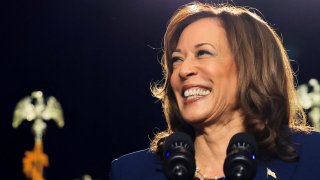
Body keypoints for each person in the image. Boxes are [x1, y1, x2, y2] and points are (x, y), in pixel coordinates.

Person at [109, 2, 320, 180]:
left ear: (251, 66)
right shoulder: (130, 172)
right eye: (177, 59)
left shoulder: (313, 157)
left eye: (203, 53)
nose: (183, 70)